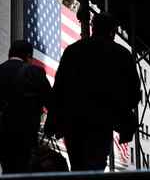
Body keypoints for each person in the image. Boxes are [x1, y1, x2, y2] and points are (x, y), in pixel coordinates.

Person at [45, 12, 141, 171]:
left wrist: (53, 122)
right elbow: (134, 93)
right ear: (113, 30)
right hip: (102, 122)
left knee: (77, 166)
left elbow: (59, 89)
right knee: (96, 165)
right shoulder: (122, 54)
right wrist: (121, 110)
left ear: (92, 27)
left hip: (74, 122)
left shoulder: (72, 51)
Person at [0, 40, 52, 173]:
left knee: (9, 171)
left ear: (10, 54)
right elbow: (51, 102)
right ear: (29, 57)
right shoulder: (35, 72)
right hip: (26, 139)